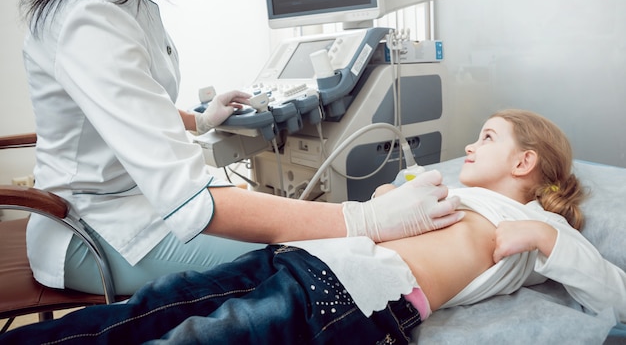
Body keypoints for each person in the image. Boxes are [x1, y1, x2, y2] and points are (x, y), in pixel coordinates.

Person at [18, 0, 463, 297]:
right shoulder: (90, 17)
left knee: (303, 235)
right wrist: (365, 217)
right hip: (94, 231)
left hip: (133, 208)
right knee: (306, 261)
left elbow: (127, 111)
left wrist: (200, 120)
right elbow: (193, 199)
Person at [2, 109, 624, 344]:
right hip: (305, 258)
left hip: (354, 298)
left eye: (486, 136)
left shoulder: (533, 222)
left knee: (195, 337)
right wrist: (392, 194)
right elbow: (384, 209)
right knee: (154, 306)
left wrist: (546, 242)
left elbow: (612, 293)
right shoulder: (451, 189)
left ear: (524, 162)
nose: (467, 143)